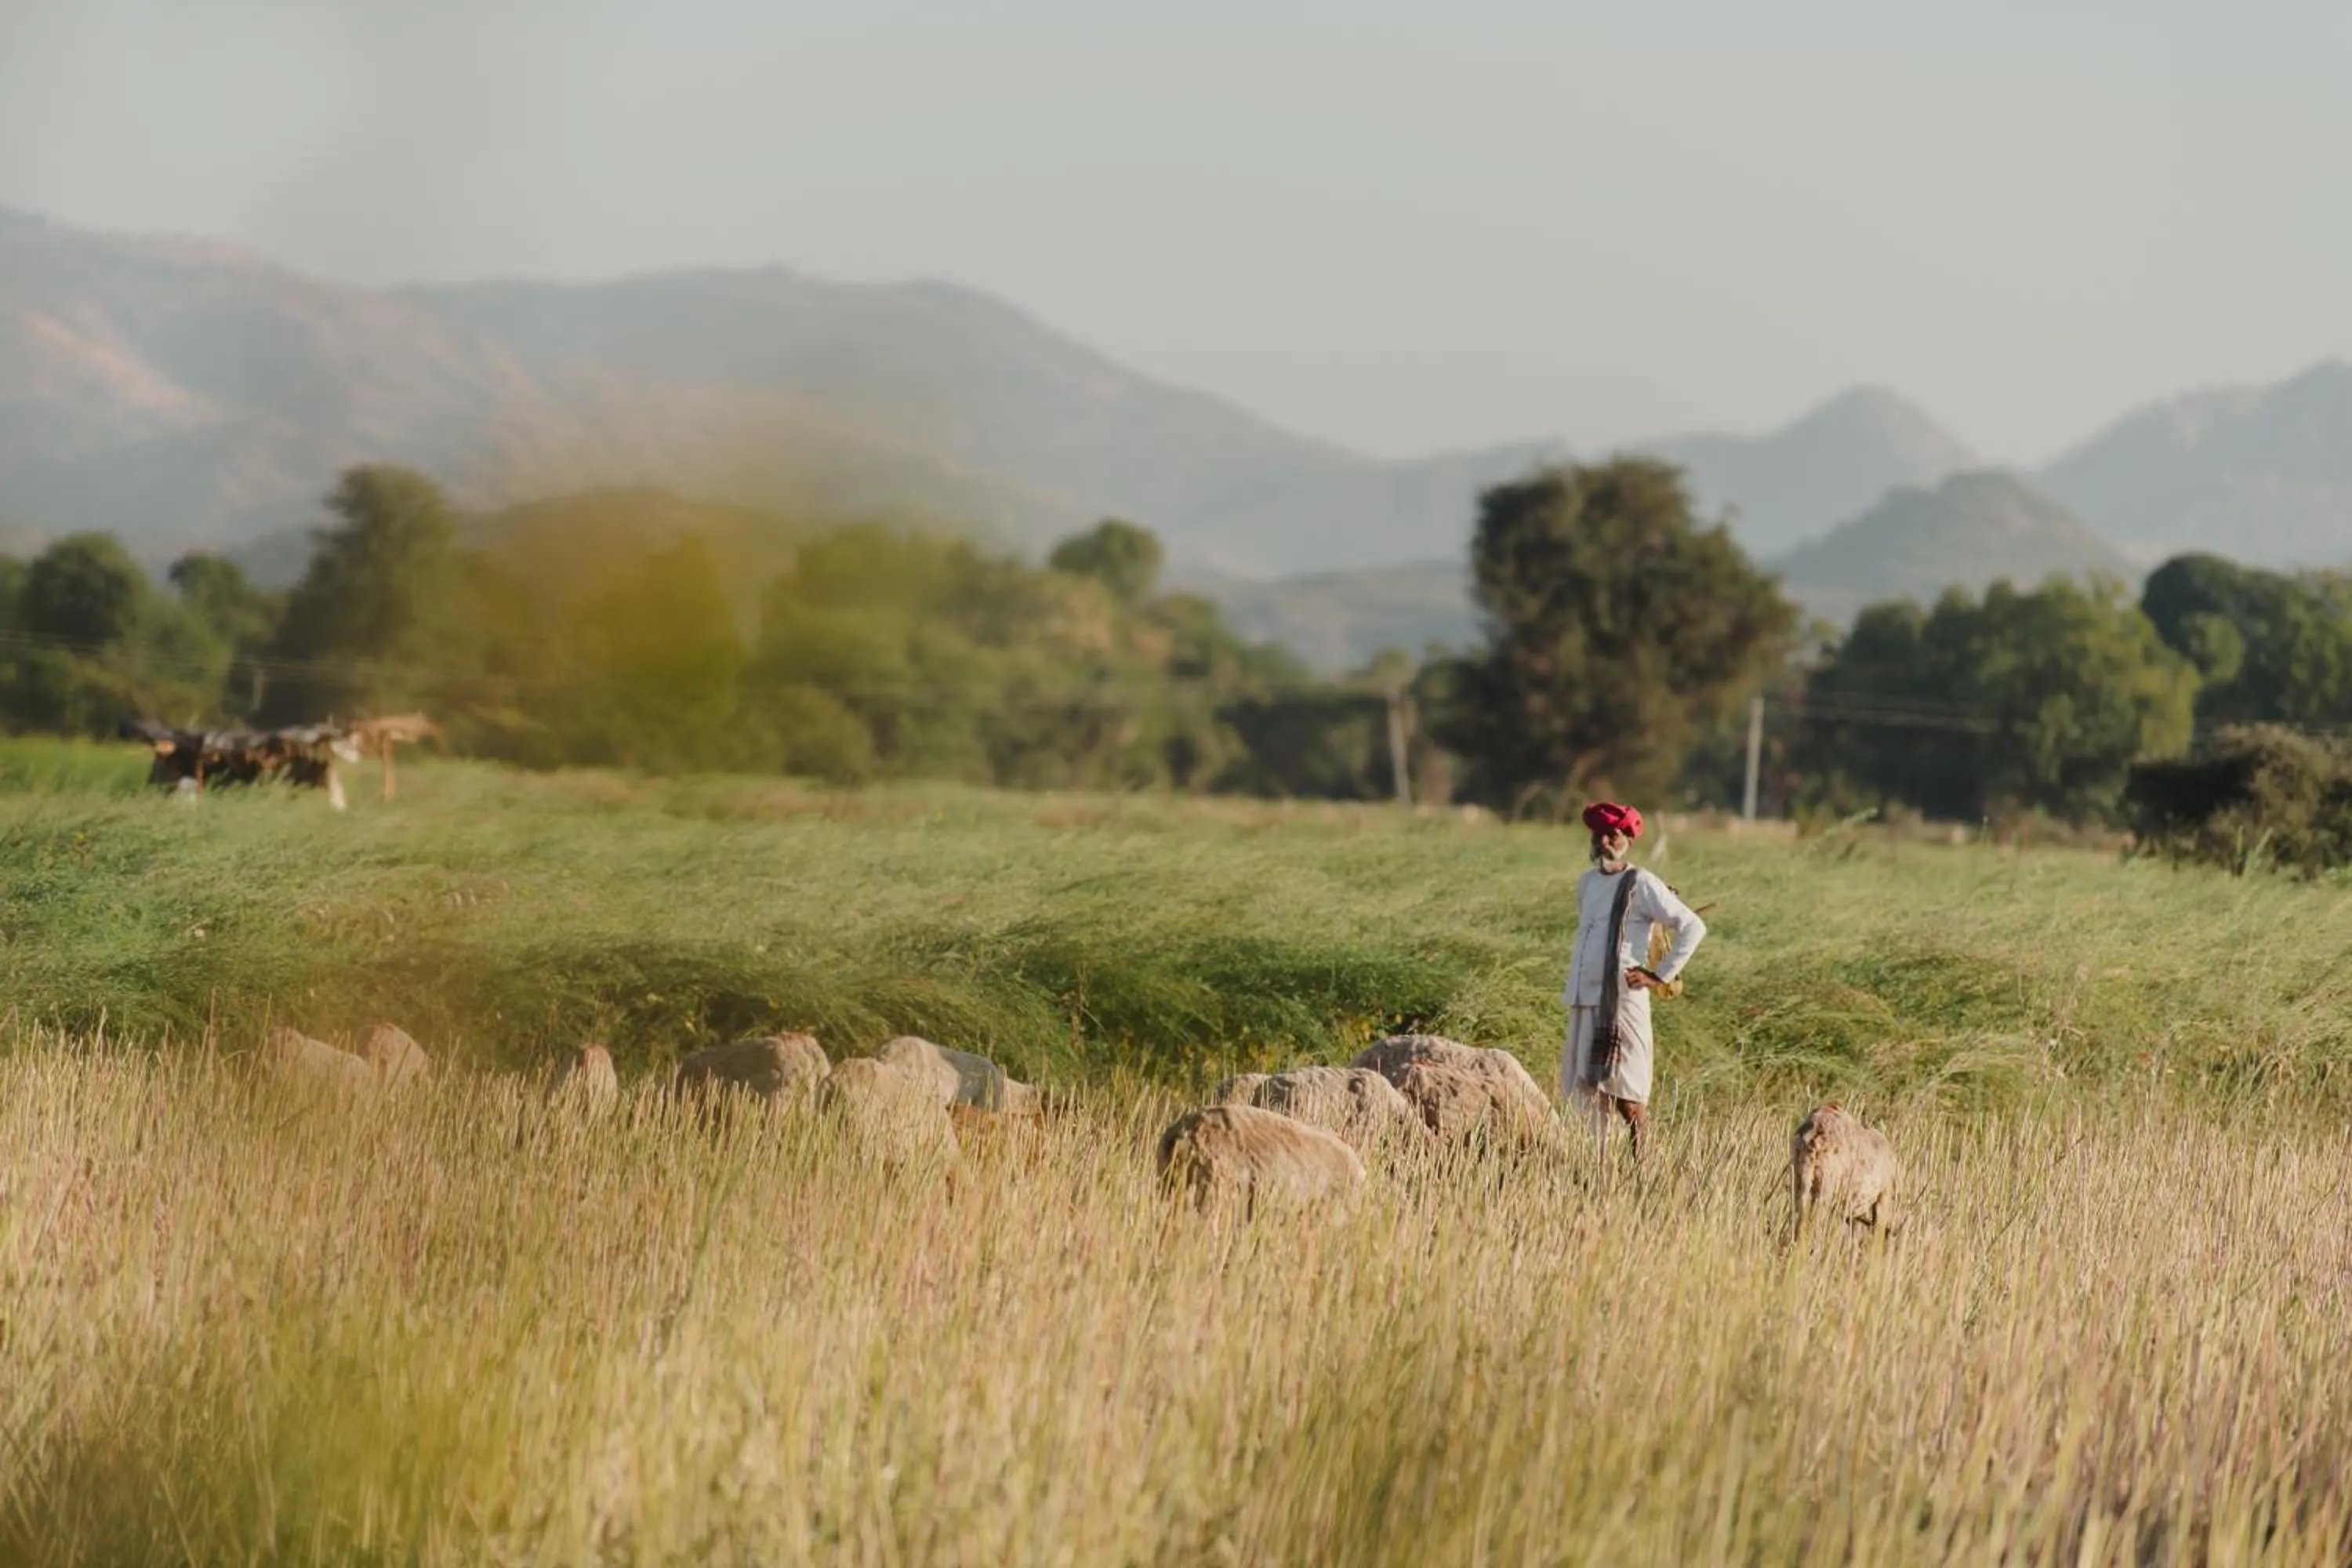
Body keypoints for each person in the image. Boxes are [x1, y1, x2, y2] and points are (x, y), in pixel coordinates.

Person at [1562, 800, 1706, 1160]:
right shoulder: (1587, 883)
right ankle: (1597, 1168)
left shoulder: (1641, 882)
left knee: (1628, 1093)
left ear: (1627, 840)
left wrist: (1658, 975)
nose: (1605, 842)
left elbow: (1693, 926)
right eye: (1600, 835)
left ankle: (1644, 1167)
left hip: (1623, 999)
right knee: (1588, 1091)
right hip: (1584, 998)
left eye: (1613, 835)